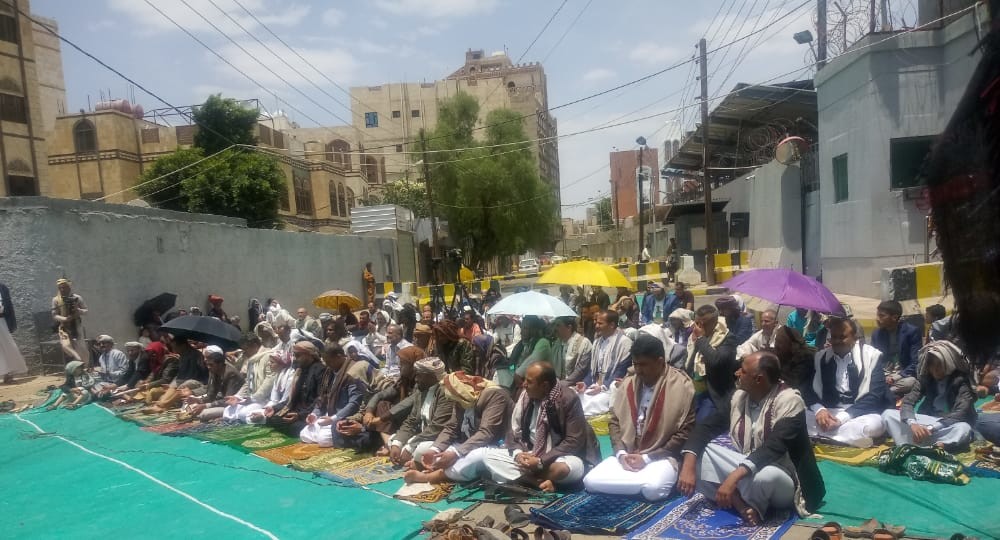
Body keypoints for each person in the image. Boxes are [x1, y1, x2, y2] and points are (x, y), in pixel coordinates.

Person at [678, 352, 826, 525]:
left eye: (743, 371)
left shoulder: (790, 401)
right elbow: (706, 427)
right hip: (747, 469)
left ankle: (739, 495)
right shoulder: (739, 397)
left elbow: (774, 447)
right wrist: (688, 465)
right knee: (698, 454)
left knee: (766, 476)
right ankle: (741, 504)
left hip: (783, 477)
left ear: (758, 379)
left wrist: (733, 477)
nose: (737, 373)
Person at [583, 334, 696, 501]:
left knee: (653, 488)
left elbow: (684, 432)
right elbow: (614, 422)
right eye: (635, 364)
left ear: (660, 362)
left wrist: (647, 458)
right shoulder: (628, 383)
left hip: (661, 457)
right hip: (627, 454)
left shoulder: (682, 386)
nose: (638, 370)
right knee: (590, 481)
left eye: (643, 365)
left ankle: (629, 484)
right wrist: (621, 454)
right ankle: (634, 485)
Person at [477, 362, 602, 492]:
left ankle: (526, 478)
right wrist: (519, 455)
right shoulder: (525, 396)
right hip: (530, 453)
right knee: (488, 457)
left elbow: (573, 441)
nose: (524, 384)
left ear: (544, 386)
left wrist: (540, 461)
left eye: (529, 382)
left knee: (562, 469)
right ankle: (539, 482)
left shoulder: (568, 399)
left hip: (560, 456)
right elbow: (513, 432)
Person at [402, 371, 513, 485]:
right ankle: (437, 467)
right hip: (468, 443)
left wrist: (456, 453)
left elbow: (486, 433)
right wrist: (434, 450)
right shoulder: (461, 398)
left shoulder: (495, 395)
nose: (454, 403)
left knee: (475, 457)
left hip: (494, 445)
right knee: (426, 451)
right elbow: (451, 427)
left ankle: (432, 476)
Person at [801, 318, 889, 447]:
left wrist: (841, 419)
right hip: (828, 412)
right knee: (798, 417)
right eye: (834, 337)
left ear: (855, 338)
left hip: (858, 413)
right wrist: (819, 410)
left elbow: (875, 395)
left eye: (842, 337)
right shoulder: (820, 358)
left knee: (874, 425)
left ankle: (823, 435)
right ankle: (844, 437)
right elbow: (808, 390)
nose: (836, 341)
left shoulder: (871, 356)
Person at [881, 340, 976, 450]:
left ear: (947, 363)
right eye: (932, 365)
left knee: (964, 428)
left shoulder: (961, 381)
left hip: (947, 424)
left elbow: (960, 413)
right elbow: (908, 402)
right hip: (928, 422)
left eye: (939, 364)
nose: (935, 369)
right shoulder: (925, 379)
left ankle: (939, 445)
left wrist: (932, 428)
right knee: (887, 414)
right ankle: (925, 443)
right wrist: (913, 424)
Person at [388, 357, 453, 466]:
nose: (416, 379)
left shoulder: (445, 391)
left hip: (437, 438)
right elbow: (412, 420)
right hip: (422, 435)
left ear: (431, 376)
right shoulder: (421, 390)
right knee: (393, 440)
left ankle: (417, 461)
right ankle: (413, 459)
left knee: (420, 451)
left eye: (419, 375)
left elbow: (437, 427)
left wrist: (410, 447)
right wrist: (397, 444)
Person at [301, 345, 365, 447]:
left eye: (329, 361)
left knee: (323, 440)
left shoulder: (353, 372)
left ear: (339, 356)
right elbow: (322, 397)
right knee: (304, 435)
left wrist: (333, 419)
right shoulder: (329, 371)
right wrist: (314, 414)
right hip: (328, 414)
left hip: (343, 416)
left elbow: (354, 403)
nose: (327, 365)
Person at [686, 305, 738, 419]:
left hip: (714, 394)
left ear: (715, 322)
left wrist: (701, 339)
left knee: (701, 423)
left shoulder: (727, 338)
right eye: (697, 323)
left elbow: (716, 361)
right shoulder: (699, 335)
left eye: (703, 323)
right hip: (695, 390)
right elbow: (691, 362)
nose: (699, 327)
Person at [266, 341, 328, 434]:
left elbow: (320, 399)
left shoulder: (320, 370)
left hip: (309, 413)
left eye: (298, 355)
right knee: (271, 419)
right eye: (294, 355)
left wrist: (300, 415)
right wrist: (275, 408)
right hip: (297, 411)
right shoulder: (300, 371)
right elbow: (292, 398)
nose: (295, 358)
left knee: (295, 427)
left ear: (309, 354)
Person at [870, 300, 922, 398]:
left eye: (881, 316)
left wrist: (896, 377)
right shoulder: (877, 334)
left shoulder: (911, 332)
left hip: (902, 375)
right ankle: (885, 391)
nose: (877, 319)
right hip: (883, 375)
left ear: (894, 317)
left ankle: (883, 392)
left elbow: (916, 362)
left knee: (911, 382)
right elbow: (873, 360)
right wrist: (882, 375)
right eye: (877, 315)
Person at [222, 335, 276, 422]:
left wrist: (253, 398)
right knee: (227, 411)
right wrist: (237, 396)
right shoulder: (252, 360)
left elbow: (269, 381)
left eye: (245, 349)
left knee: (243, 414)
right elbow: (248, 382)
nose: (244, 353)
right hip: (251, 398)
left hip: (264, 399)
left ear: (255, 345)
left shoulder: (269, 356)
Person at [185, 346, 245, 422]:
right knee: (190, 407)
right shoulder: (214, 372)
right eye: (207, 364)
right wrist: (198, 400)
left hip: (235, 404)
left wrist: (205, 405)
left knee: (204, 413)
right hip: (223, 402)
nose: (208, 367)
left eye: (211, 365)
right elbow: (211, 396)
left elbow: (228, 400)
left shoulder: (231, 374)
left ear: (220, 364)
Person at [244, 352, 294, 424]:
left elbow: (285, 401)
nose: (269, 364)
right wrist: (265, 410)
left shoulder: (290, 377)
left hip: (284, 408)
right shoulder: (278, 375)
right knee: (250, 415)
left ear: (281, 363)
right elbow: (274, 400)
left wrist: (264, 414)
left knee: (250, 416)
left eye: (272, 362)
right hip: (275, 407)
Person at [52, 278, 89, 364]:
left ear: (69, 287)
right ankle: (78, 358)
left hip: (76, 325)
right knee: (66, 345)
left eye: (64, 287)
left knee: (81, 348)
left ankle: (85, 365)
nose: (62, 289)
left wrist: (78, 310)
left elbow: (86, 311)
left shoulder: (77, 298)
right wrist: (65, 319)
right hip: (64, 327)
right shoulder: (56, 300)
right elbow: (54, 315)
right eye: (60, 288)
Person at [510, 315, 553, 385]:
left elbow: (531, 361)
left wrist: (517, 374)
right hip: (519, 379)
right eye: (521, 328)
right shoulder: (521, 345)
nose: (521, 332)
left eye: (525, 328)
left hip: (539, 383)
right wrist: (512, 371)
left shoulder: (543, 343)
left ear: (534, 330)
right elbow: (512, 363)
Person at [552, 317, 592, 384]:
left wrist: (564, 383)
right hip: (558, 383)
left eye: (558, 325)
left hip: (577, 385)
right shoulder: (557, 343)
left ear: (569, 327)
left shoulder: (584, 343)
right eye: (555, 325)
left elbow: (581, 369)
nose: (555, 329)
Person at [0, 281, 26, 384]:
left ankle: (8, 374)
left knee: (8, 347)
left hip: (2, 321)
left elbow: (8, 305)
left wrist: (11, 322)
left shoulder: (2, 288)